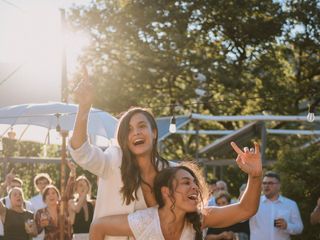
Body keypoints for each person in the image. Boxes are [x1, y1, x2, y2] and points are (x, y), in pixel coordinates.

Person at [68, 67, 173, 239]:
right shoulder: (112, 160)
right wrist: (84, 106)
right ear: (124, 138)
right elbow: (80, 150)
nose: (136, 133)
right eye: (129, 129)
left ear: (154, 132)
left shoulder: (170, 171)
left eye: (141, 126)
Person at [90, 142, 262, 240]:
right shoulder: (144, 221)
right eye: (186, 182)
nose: (194, 187)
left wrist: (255, 176)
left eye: (195, 183)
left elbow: (246, 209)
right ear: (167, 192)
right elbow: (98, 227)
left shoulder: (198, 220)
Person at [249, 171, 303, 240]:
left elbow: (299, 228)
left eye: (270, 183)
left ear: (279, 185)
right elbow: (241, 219)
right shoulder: (254, 203)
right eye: (264, 183)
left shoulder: (291, 204)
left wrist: (287, 226)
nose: (266, 186)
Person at [0, 170, 38, 239]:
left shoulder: (30, 214)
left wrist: (31, 231)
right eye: (15, 195)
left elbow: (35, 233)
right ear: (10, 199)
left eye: (20, 194)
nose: (18, 196)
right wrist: (5, 183)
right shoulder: (5, 212)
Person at [67, 161, 95, 240]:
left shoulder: (92, 203)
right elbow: (77, 209)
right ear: (76, 188)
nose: (83, 187)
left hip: (92, 236)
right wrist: (84, 193)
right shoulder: (72, 202)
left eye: (85, 185)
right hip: (78, 237)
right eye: (80, 185)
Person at [28, 173, 52, 240]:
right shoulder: (31, 201)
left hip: (53, 234)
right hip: (38, 236)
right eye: (40, 183)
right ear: (37, 185)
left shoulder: (55, 199)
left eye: (45, 183)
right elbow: (30, 219)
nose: (43, 185)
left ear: (49, 184)